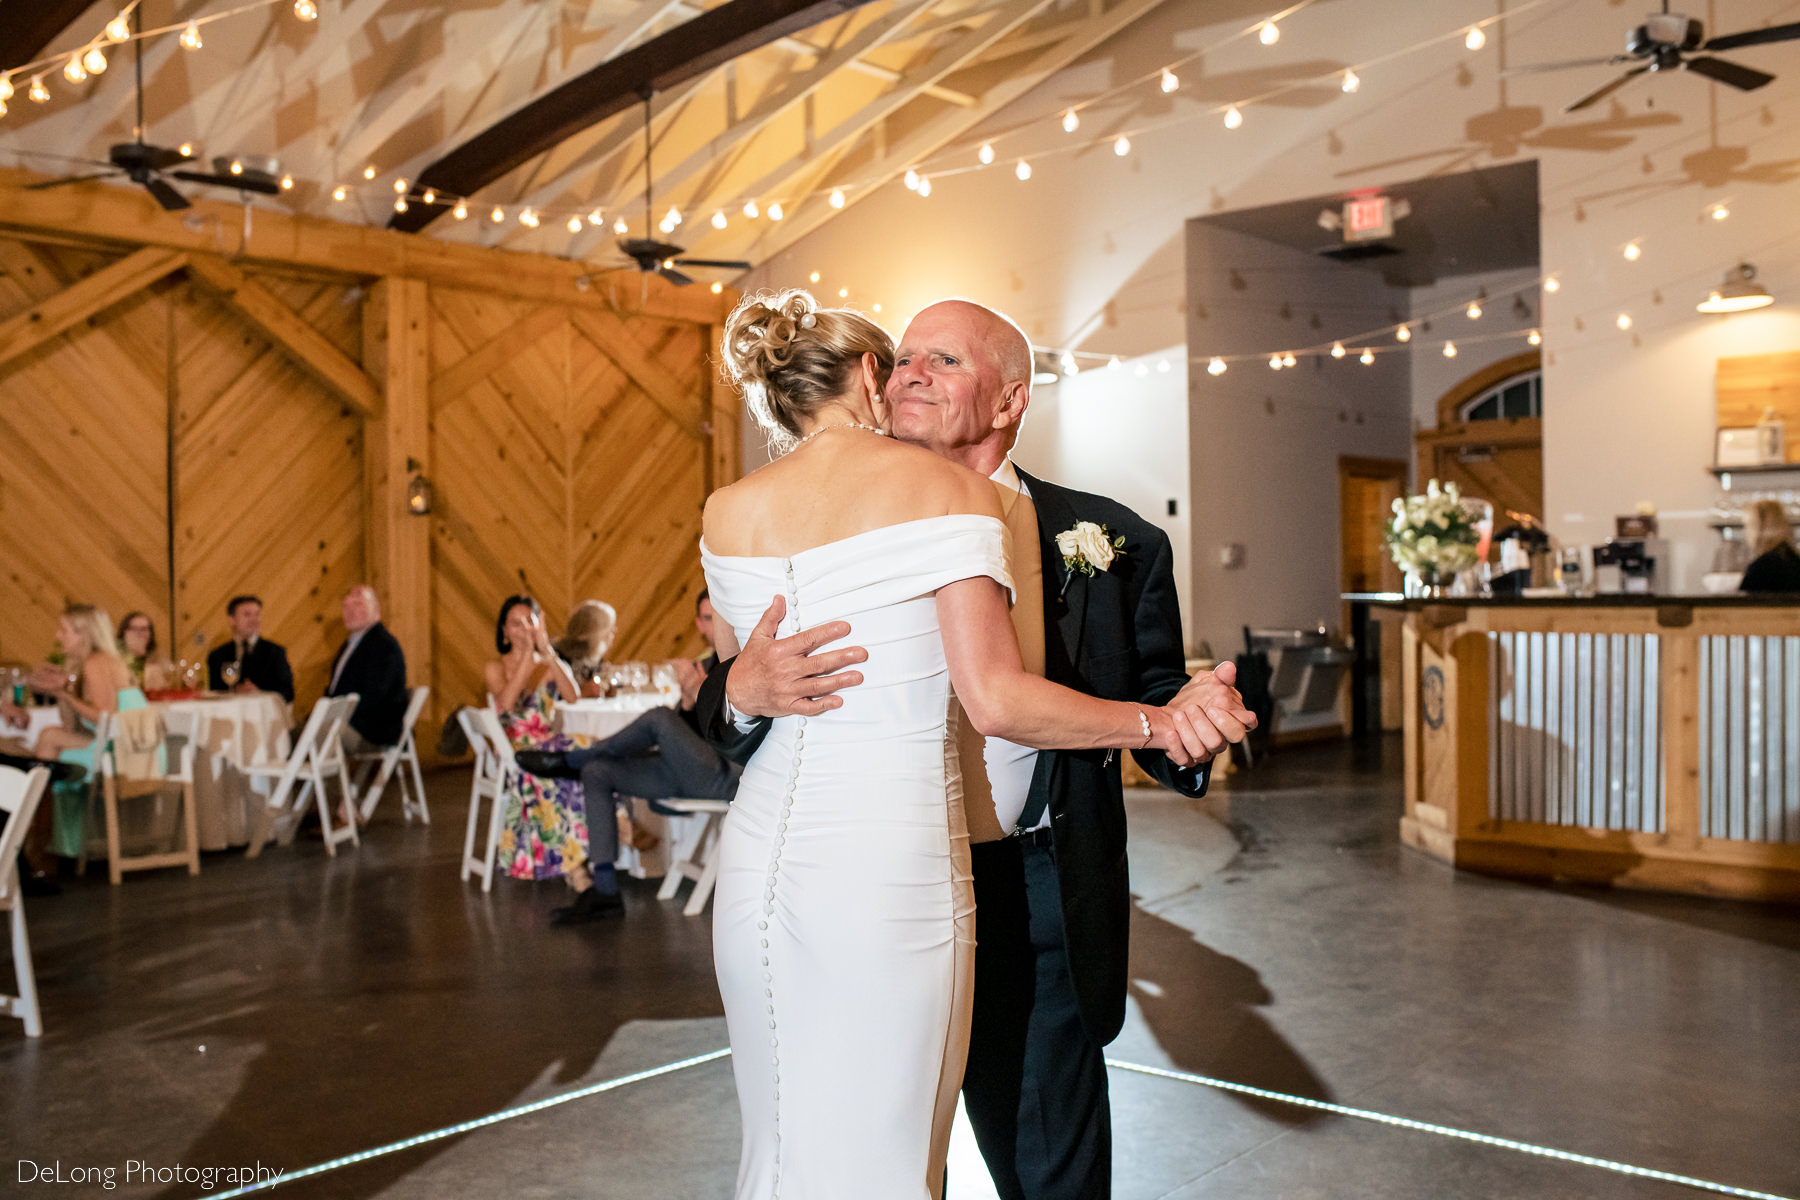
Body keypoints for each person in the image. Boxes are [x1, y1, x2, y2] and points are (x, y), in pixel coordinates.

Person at [692, 290, 1244, 1199]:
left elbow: (1156, 706)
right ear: (872, 376)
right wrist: (742, 693)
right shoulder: (891, 502)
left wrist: (1186, 720)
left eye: (943, 360)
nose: (913, 372)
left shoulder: (1116, 540)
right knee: (891, 1151)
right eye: (904, 356)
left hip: (1029, 887)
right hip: (893, 874)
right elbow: (734, 692)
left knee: (1020, 1162)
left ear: (1011, 398)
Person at [519, 587, 742, 925]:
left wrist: (699, 696)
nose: (713, 627)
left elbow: (743, 733)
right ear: (699, 624)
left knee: (657, 718)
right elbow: (692, 731)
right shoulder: (703, 665)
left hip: (726, 775)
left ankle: (571, 761)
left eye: (718, 618)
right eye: (708, 619)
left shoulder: (739, 666)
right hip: (689, 769)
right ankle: (605, 891)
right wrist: (687, 703)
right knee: (598, 772)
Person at [0, 605, 148, 869]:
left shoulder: (97, 663)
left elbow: (105, 718)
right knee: (50, 740)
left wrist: (67, 695)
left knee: (46, 746)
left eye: (64, 630)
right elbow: (73, 727)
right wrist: (63, 692)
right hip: (127, 745)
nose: (59, 636)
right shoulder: (89, 664)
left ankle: (42, 848)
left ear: (84, 634)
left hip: (127, 750)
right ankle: (45, 847)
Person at [484, 595, 594, 890]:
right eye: (515, 624)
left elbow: (573, 696)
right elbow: (505, 706)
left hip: (548, 743)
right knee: (549, 772)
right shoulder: (495, 668)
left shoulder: (548, 662)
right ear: (505, 631)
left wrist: (547, 651)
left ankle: (617, 825)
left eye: (529, 622)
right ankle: (577, 866)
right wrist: (527, 658)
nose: (523, 629)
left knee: (590, 748)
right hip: (517, 750)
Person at [324, 586, 408, 753]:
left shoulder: (384, 646)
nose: (350, 611)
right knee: (287, 729)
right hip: (345, 722)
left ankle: (320, 779)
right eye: (346, 606)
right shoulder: (349, 646)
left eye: (358, 605)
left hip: (370, 731)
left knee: (322, 734)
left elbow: (373, 697)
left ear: (376, 610)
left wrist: (332, 719)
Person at [204, 596, 294, 701]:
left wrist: (259, 692)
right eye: (247, 614)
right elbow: (214, 691)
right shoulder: (217, 655)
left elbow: (288, 692)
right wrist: (235, 690)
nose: (254, 619)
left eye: (257, 614)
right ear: (232, 619)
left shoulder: (275, 652)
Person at [552, 600, 617, 698]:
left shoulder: (594, 655)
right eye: (608, 627)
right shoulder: (558, 655)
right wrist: (581, 693)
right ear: (589, 630)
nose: (613, 632)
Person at [1738, 499, 1800, 592]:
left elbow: (1743, 603)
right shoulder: (1794, 559)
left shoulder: (1761, 568)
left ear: (1759, 527)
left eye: (1747, 526)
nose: (1744, 532)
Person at [116, 612, 175, 691]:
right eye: (134, 628)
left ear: (150, 634)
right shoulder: (115, 656)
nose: (139, 633)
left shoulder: (159, 657)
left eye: (144, 629)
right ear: (125, 632)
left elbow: (169, 683)